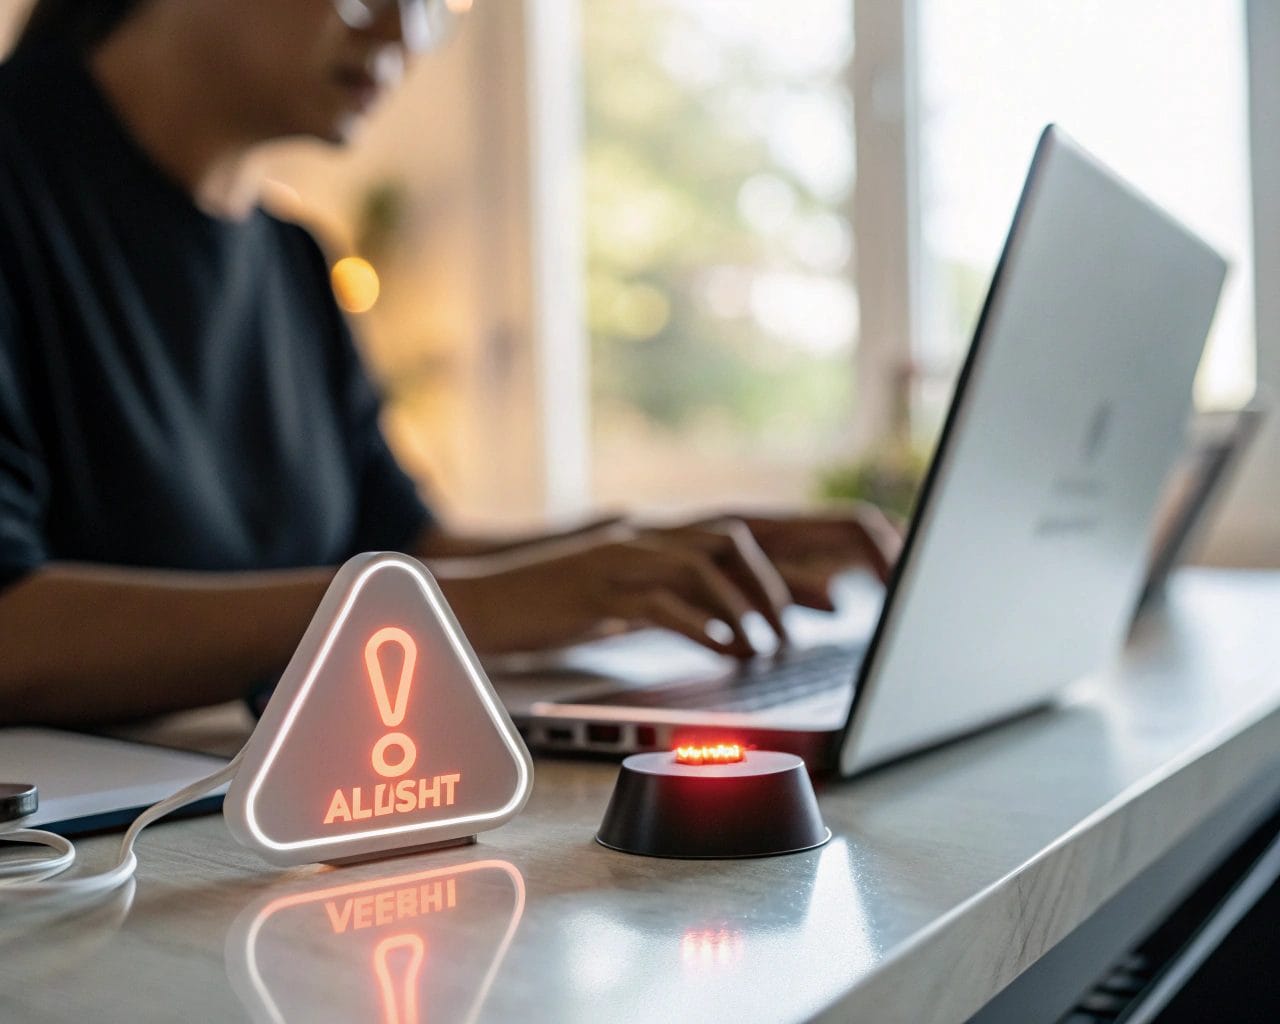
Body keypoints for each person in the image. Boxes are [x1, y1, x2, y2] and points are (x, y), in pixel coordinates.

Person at [0, 0, 898, 727]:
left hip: (254, 816)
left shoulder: (292, 259)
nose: (405, 31)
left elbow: (407, 545)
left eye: (437, 3)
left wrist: (666, 552)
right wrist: (479, 603)